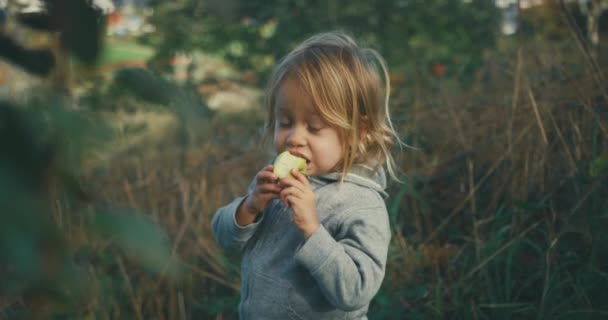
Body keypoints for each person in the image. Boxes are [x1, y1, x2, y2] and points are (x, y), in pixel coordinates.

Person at [211, 30, 402, 319]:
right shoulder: (273, 180)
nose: (294, 138)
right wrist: (250, 207)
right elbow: (223, 238)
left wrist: (313, 230)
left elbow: (357, 290)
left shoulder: (361, 204)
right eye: (285, 122)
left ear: (356, 133)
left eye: (314, 128)